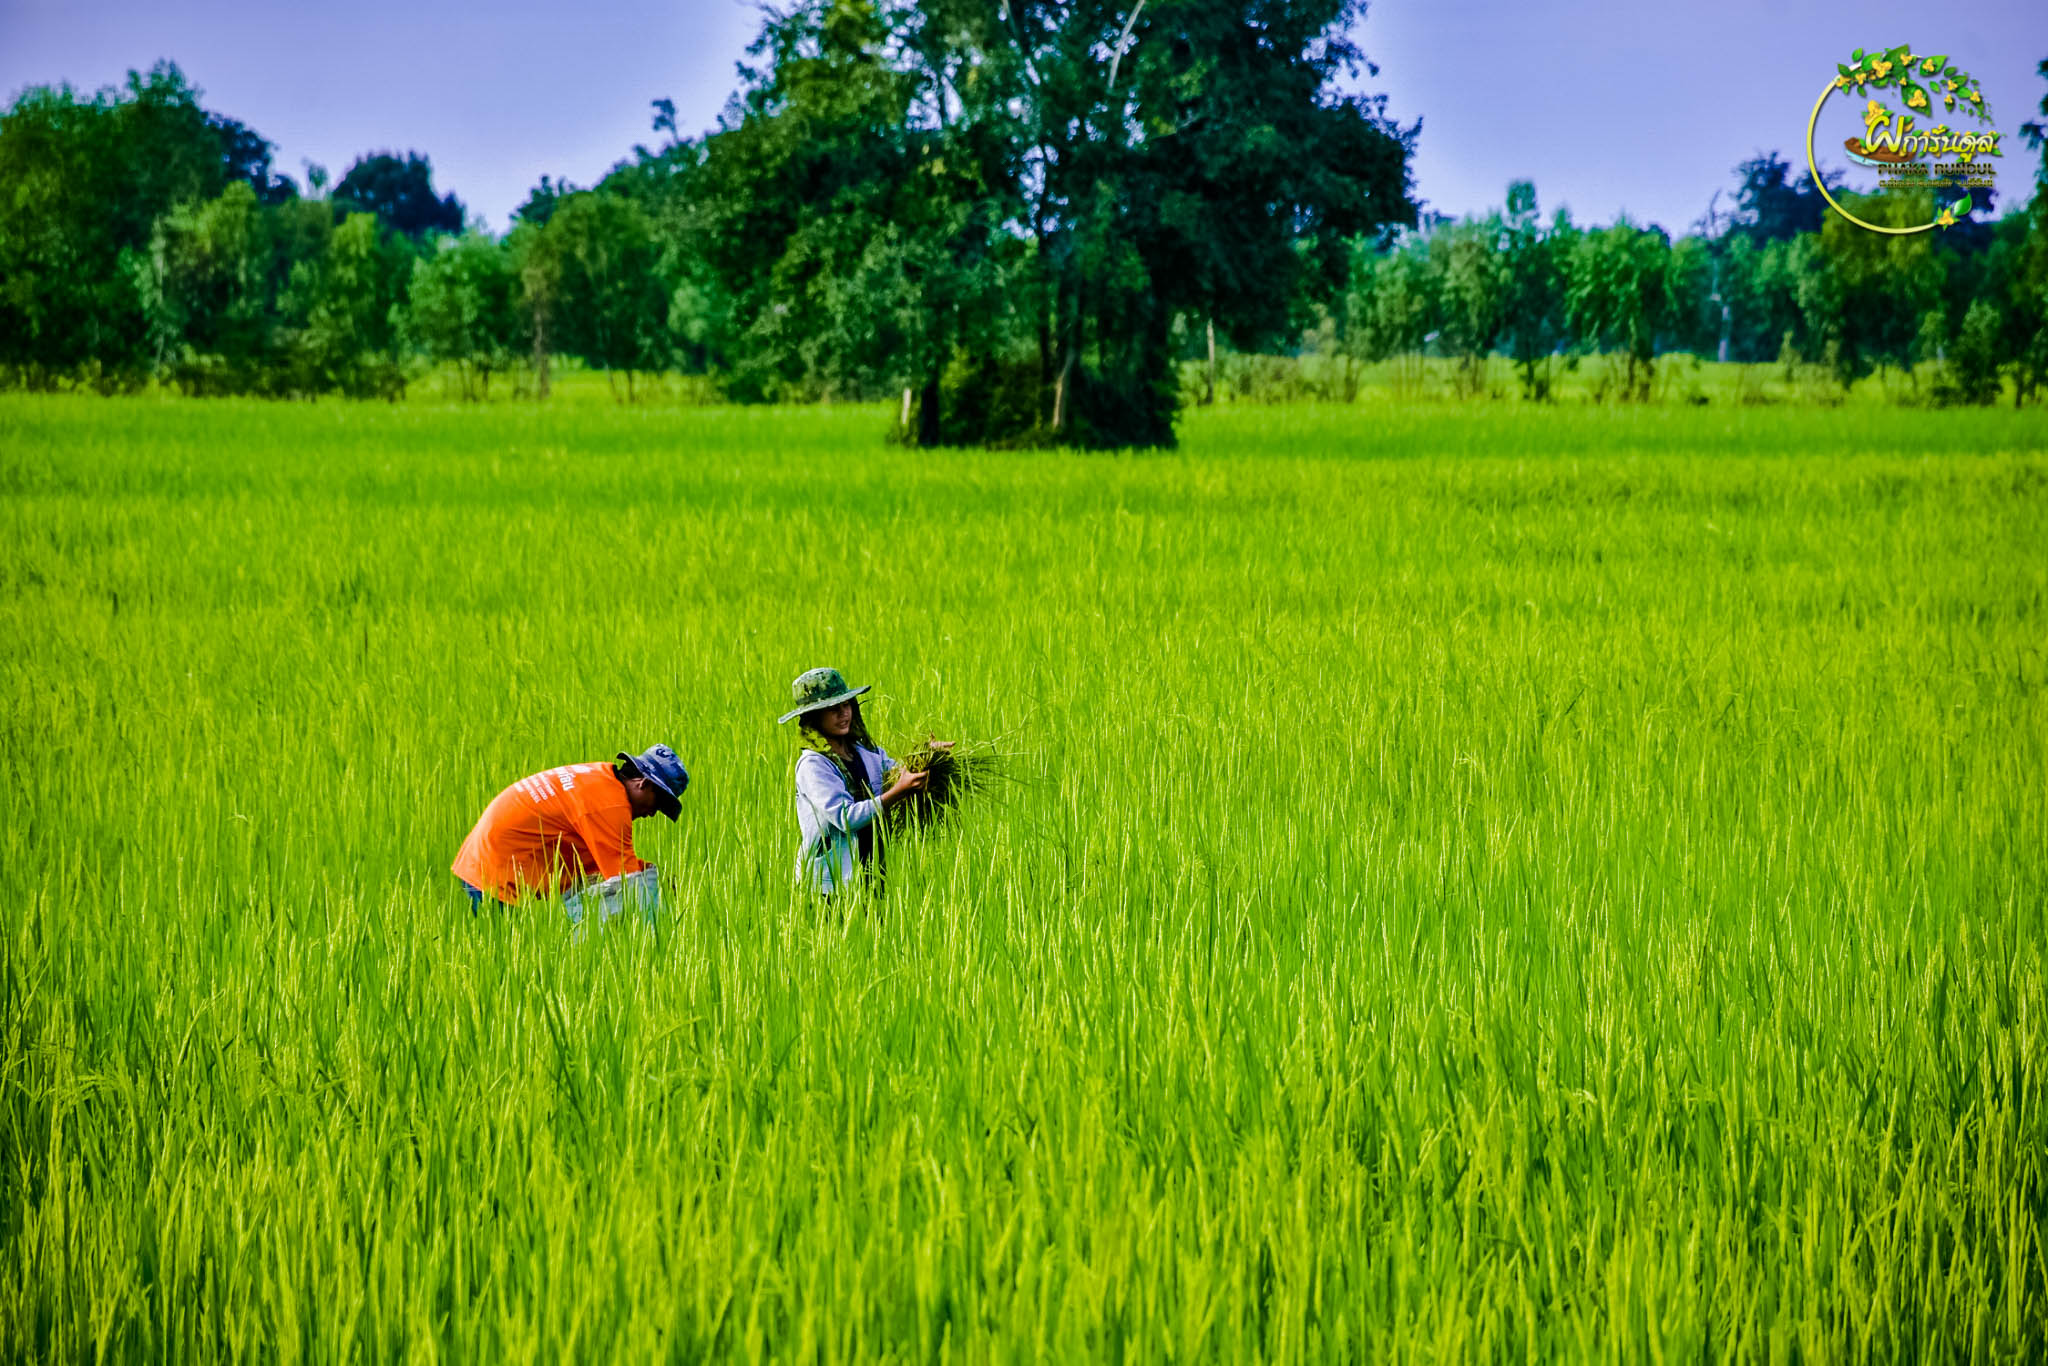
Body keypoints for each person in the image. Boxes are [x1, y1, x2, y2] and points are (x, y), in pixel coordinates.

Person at [452, 744, 688, 924]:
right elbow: (627, 883)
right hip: (494, 873)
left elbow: (603, 860)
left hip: (481, 857)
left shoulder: (600, 777)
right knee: (504, 961)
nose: (652, 813)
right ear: (643, 784)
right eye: (658, 803)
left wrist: (654, 876)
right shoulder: (610, 806)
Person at [780, 667, 943, 896]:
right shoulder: (813, 765)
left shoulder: (865, 752)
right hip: (830, 886)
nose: (843, 714)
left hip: (873, 873)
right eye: (833, 709)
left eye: (846, 705)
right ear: (814, 717)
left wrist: (927, 756)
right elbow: (845, 818)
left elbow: (898, 772)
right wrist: (897, 793)